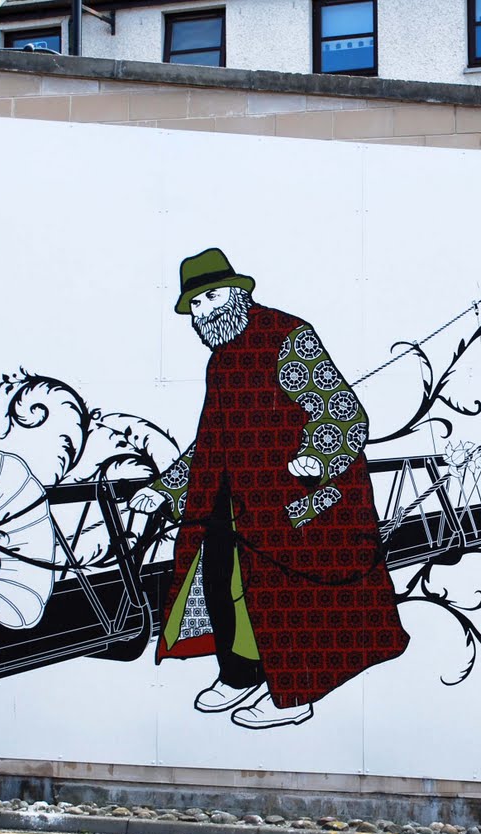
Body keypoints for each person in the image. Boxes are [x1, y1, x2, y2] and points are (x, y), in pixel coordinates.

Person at [129, 248, 409, 729]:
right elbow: (209, 439)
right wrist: (168, 489)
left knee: (285, 595)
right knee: (221, 578)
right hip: (235, 496)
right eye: (195, 304)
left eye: (211, 297)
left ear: (237, 293)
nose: (203, 312)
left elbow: (343, 411)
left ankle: (294, 694)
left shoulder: (288, 336)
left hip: (297, 496)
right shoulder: (220, 362)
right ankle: (240, 673)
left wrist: (316, 456)